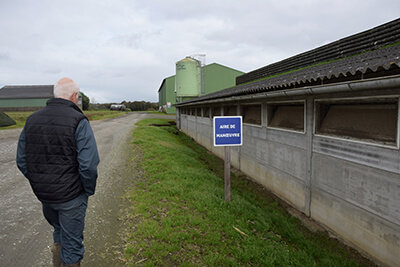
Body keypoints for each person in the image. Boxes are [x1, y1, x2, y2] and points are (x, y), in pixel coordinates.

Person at [16, 78, 100, 267]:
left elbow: (22, 160)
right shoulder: (79, 120)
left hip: (46, 197)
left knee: (59, 232)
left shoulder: (32, 119)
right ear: (75, 96)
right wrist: (86, 190)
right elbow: (88, 165)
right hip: (71, 198)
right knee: (72, 246)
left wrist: (40, 182)